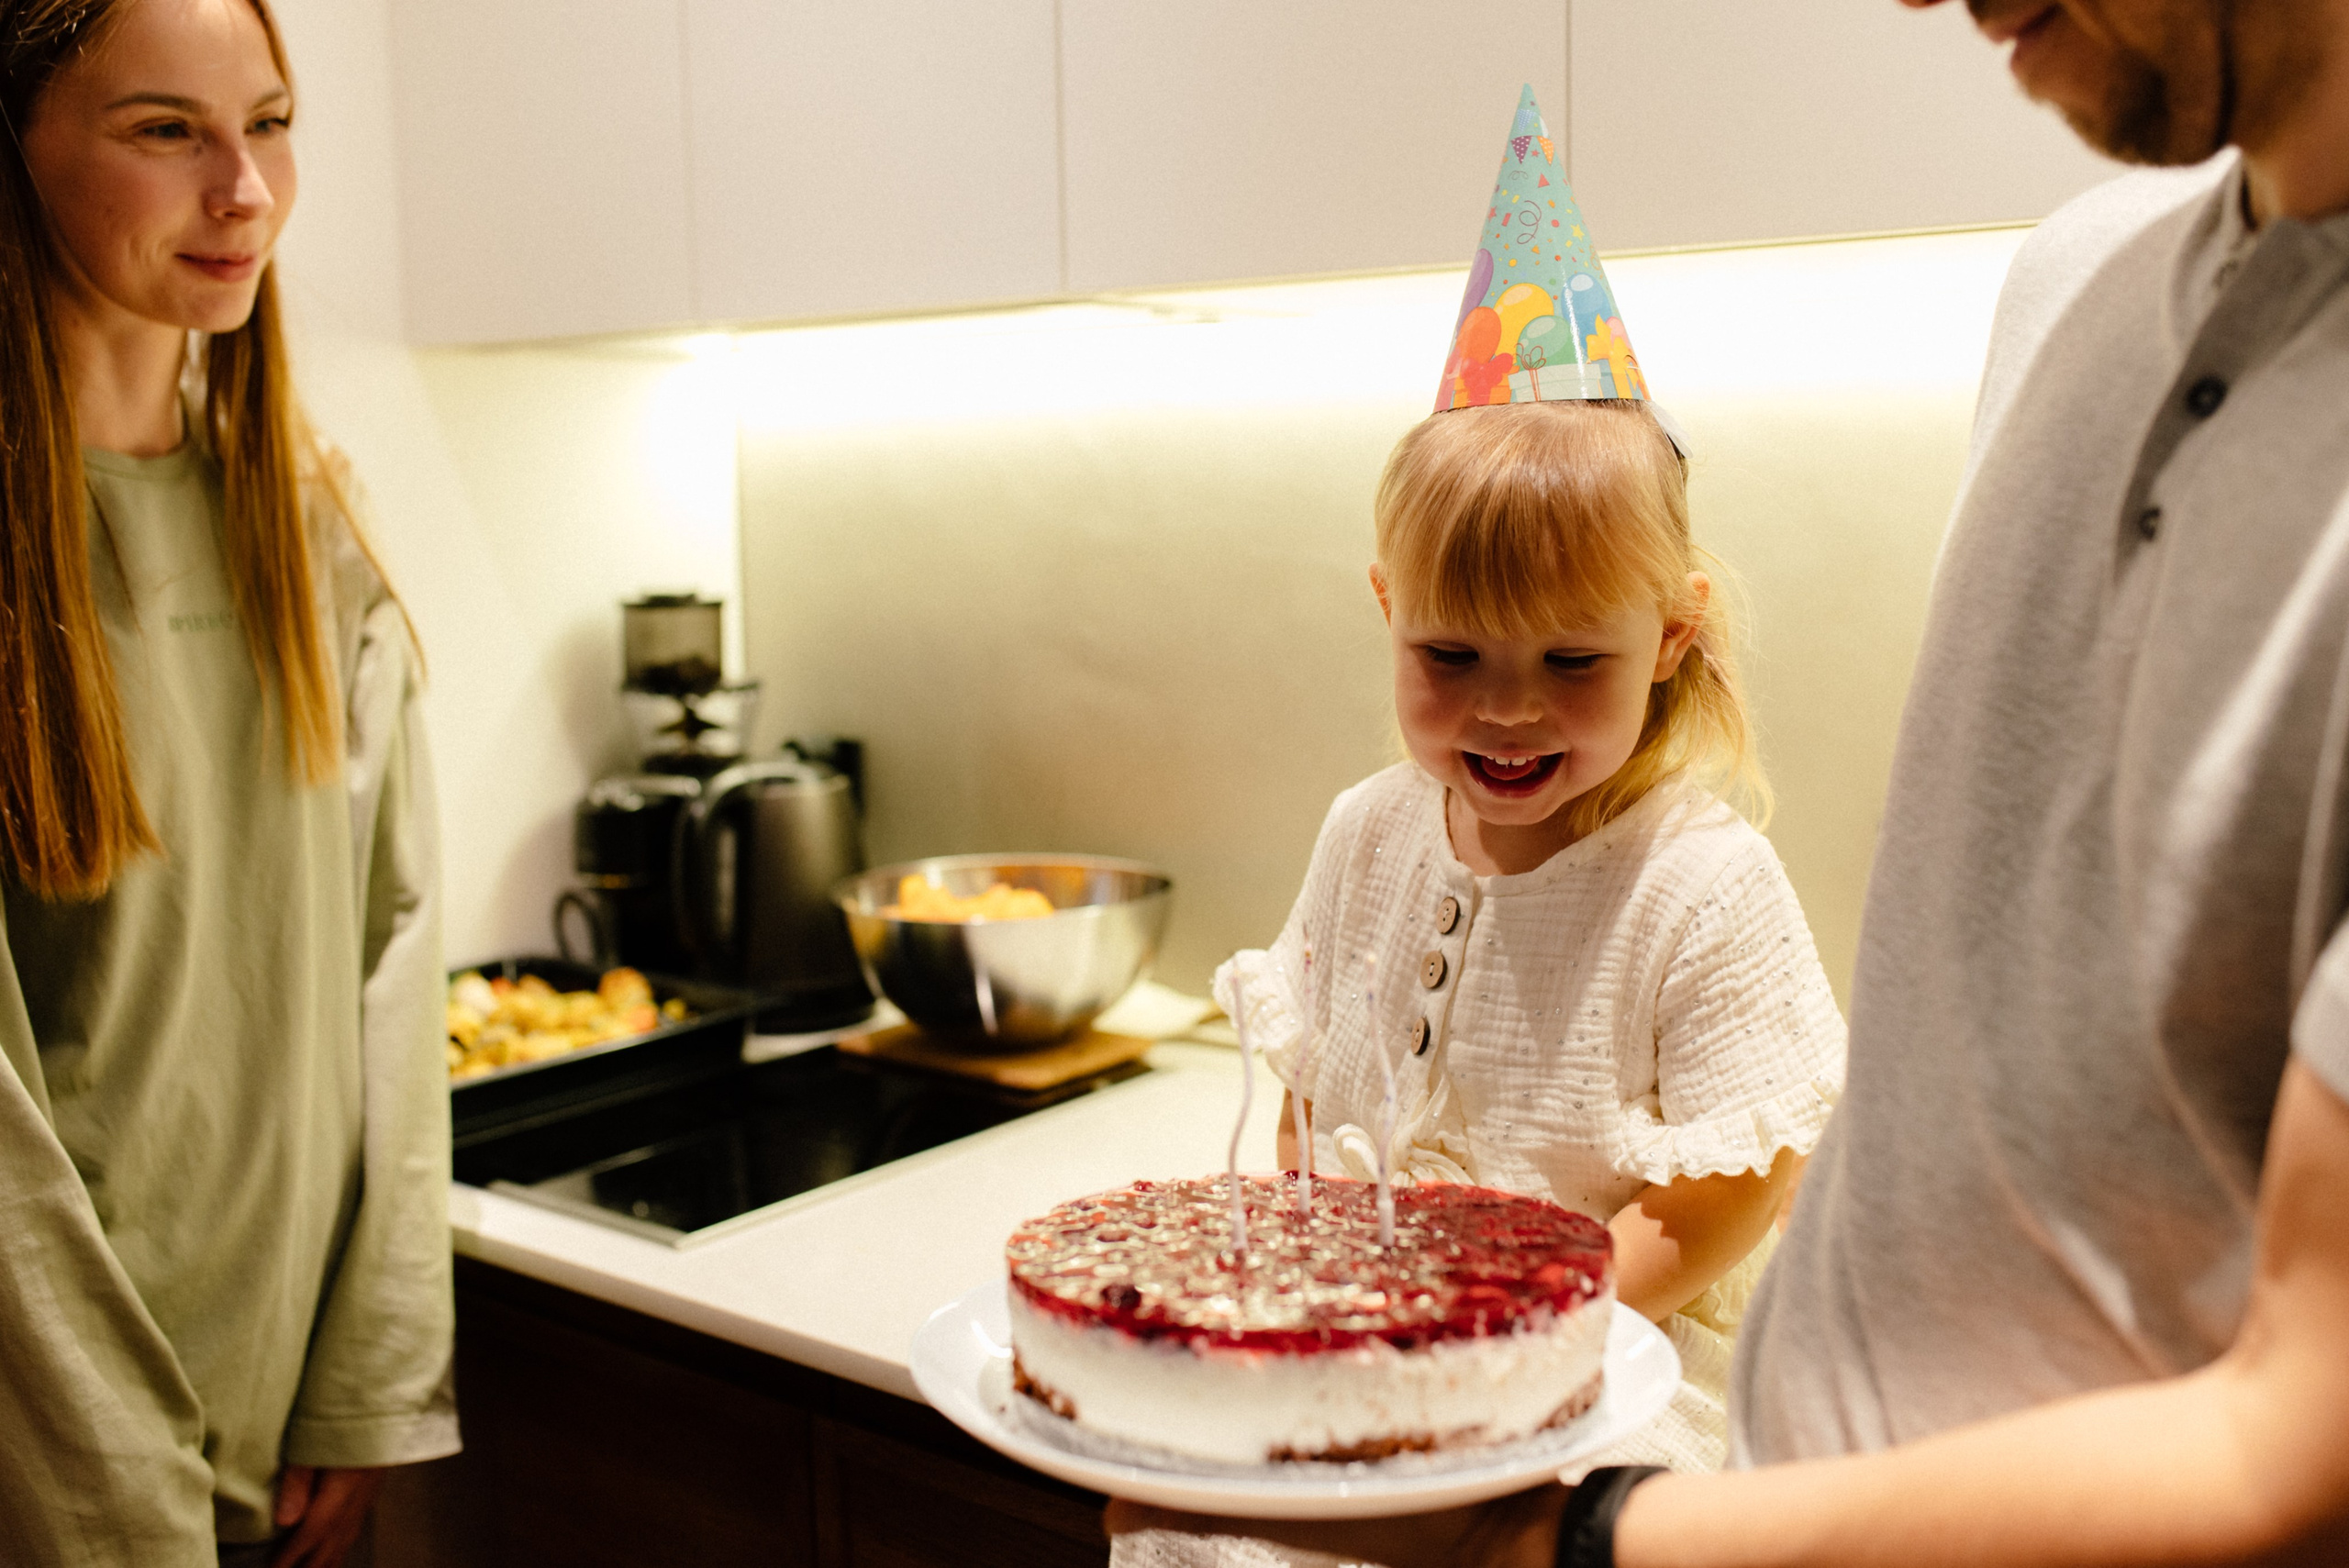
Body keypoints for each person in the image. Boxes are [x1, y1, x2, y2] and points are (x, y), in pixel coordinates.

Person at [1110, 0, 2349, 1563]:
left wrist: (1547, 1528)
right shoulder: (2074, 285)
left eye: (1569, 661)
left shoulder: (1691, 881)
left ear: (1671, 635)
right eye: (1452, 655)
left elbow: (2299, 1436)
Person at [0, 2, 455, 1565]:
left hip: (291, 1454)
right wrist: (122, 1490)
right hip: (64, 1480)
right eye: (163, 130)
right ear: (18, 146)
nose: (245, 188)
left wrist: (367, 1386)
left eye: (268, 122)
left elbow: (399, 967)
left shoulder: (316, 528)